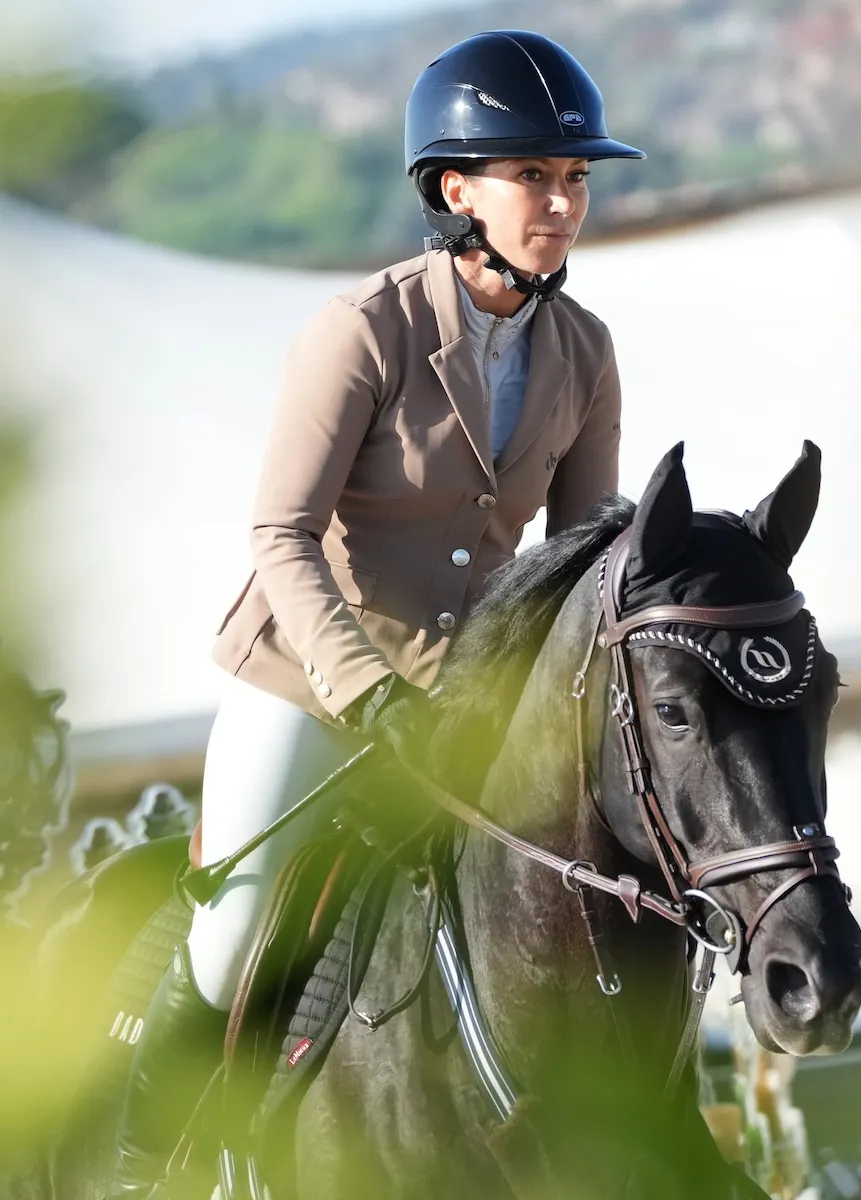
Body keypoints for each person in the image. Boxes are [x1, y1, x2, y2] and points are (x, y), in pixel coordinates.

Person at [110, 28, 644, 1195]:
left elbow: (582, 562)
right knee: (233, 933)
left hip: (461, 706)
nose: (563, 202)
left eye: (575, 177)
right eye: (534, 175)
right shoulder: (362, 331)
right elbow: (280, 536)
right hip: (307, 682)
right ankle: (148, 1165)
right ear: (455, 191)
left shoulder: (587, 352)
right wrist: (370, 694)